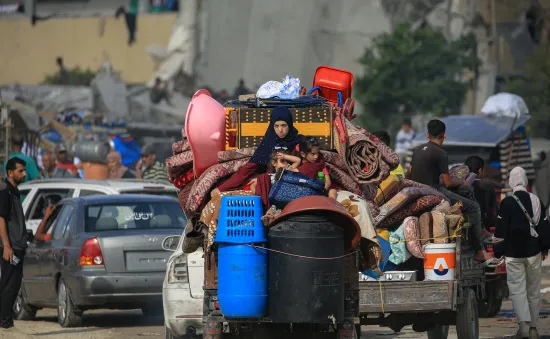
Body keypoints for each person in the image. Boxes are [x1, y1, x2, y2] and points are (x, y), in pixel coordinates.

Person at [406, 119, 502, 267]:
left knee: (468, 190)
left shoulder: (418, 150)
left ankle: (480, 232)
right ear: (444, 135)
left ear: (427, 134)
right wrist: (462, 182)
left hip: (417, 190)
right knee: (474, 207)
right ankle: (479, 247)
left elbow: (409, 173)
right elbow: (448, 183)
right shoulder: (440, 153)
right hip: (435, 191)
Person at [494, 166, 549, 339]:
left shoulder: (507, 202)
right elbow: (544, 226)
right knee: (533, 290)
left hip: (513, 254)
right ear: (525, 181)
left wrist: (498, 252)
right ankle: (533, 330)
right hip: (533, 252)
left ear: (511, 182)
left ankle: (523, 328)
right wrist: (545, 248)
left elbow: (500, 231)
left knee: (517, 290)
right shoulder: (536, 200)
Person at [212, 107, 303, 196]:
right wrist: (221, 188)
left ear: (290, 124)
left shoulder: (297, 141)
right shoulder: (268, 142)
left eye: (284, 125)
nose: (280, 130)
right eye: (276, 126)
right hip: (270, 184)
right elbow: (248, 169)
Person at [0, 157, 28, 329]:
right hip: (10, 249)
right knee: (10, 282)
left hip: (17, 246)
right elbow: (1, 218)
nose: (24, 173)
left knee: (13, 281)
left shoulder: (14, 191)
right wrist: (7, 245)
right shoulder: (4, 191)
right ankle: (5, 322)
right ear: (10, 173)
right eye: (20, 171)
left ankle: (5, 320)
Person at [465, 156, 498, 231]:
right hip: (483, 227)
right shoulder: (487, 186)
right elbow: (494, 211)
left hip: (465, 227)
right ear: (480, 170)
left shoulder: (460, 186)